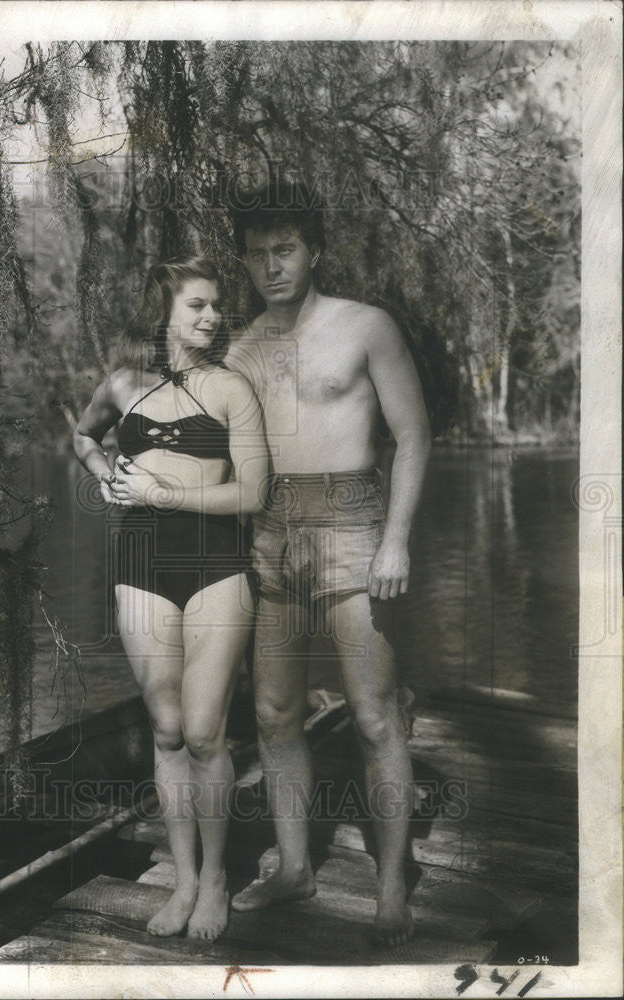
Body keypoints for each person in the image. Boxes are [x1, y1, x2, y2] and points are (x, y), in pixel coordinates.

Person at [224, 180, 431, 947]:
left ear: (314, 251)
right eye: (257, 255)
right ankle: (294, 867)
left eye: (285, 250)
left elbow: (412, 436)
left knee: (374, 712)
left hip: (353, 523)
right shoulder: (241, 347)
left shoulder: (366, 327)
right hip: (270, 528)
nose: (271, 266)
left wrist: (397, 538)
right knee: (274, 711)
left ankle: (390, 887)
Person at [73, 257, 268, 942]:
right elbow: (81, 434)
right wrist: (102, 472)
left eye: (217, 306)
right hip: (140, 564)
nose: (213, 318)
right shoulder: (123, 384)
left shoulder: (231, 389)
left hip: (216, 564)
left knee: (205, 729)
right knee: (164, 729)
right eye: (197, 306)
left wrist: (164, 494)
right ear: (164, 313)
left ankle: (216, 879)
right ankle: (183, 880)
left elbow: (253, 493)